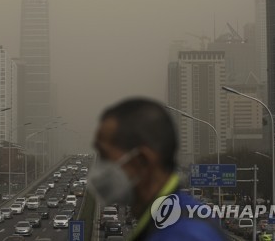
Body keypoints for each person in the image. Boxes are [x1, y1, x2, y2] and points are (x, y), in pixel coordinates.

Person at [88, 98, 227, 241]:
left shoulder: (182, 235)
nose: (98, 170)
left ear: (142, 161)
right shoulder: (168, 220)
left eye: (104, 156)